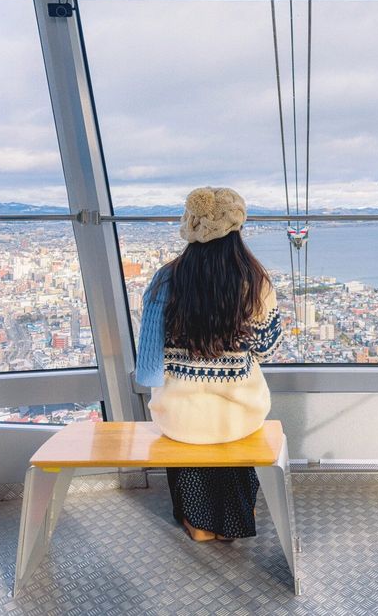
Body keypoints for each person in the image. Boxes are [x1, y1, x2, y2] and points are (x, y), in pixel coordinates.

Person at [135, 186, 283, 542]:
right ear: (237, 226)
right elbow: (266, 349)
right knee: (232, 436)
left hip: (178, 417)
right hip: (240, 415)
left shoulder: (165, 280)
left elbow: (149, 364)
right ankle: (237, 516)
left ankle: (199, 523)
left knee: (189, 434)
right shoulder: (255, 282)